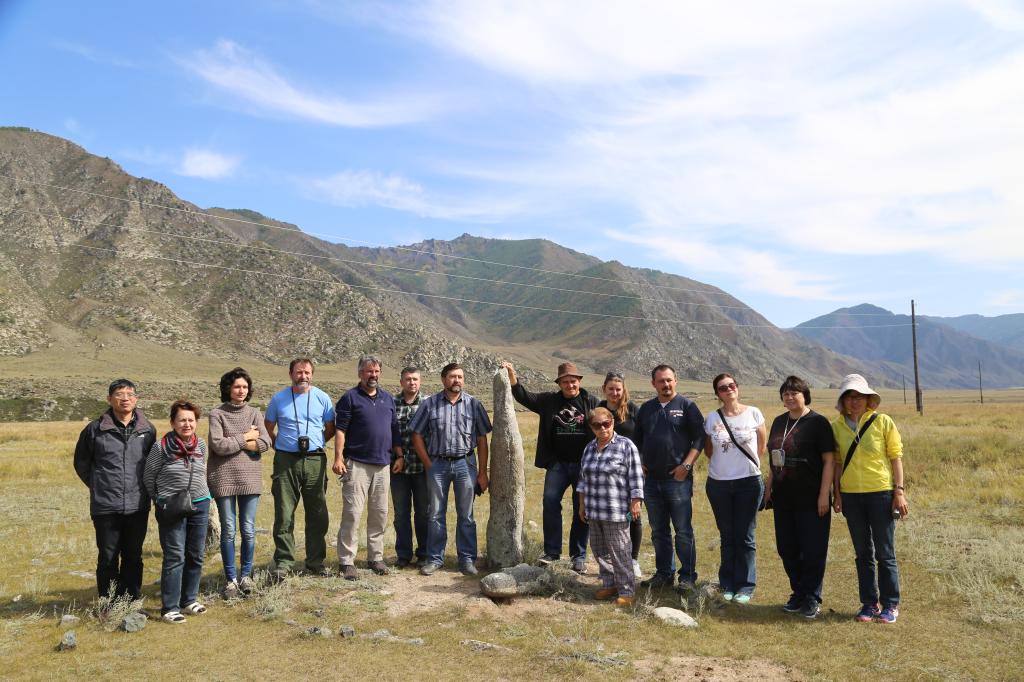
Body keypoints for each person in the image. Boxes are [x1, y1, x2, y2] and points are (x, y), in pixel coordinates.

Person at [501, 360, 598, 574]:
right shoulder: (549, 401)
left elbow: (608, 421)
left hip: (584, 466)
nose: (570, 385)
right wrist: (512, 375)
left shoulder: (591, 401)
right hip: (558, 465)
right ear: (559, 384)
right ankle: (552, 553)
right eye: (565, 382)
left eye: (573, 381)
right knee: (550, 502)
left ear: (579, 381)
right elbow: (523, 396)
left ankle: (578, 556)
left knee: (582, 509)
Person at [832, 374, 908, 624]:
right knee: (862, 553)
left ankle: (891, 604)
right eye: (849, 397)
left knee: (885, 552)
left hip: (881, 494)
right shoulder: (837, 427)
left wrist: (899, 491)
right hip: (851, 496)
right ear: (843, 401)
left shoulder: (883, 422)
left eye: (859, 396)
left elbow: (895, 457)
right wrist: (837, 493)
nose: (854, 401)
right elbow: (838, 463)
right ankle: (869, 603)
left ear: (868, 399)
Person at [73, 379, 157, 602]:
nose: (125, 398)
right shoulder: (94, 429)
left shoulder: (148, 430)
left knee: (133, 556)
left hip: (138, 504)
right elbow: (81, 463)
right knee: (108, 557)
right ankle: (109, 603)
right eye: (119, 394)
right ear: (109, 399)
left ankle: (130, 601)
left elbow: (153, 464)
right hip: (106, 506)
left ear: (136, 399)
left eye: (129, 394)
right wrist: (99, 484)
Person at [410, 363, 492, 576]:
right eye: (452, 376)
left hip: (466, 464)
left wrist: (483, 472)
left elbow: (482, 439)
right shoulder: (429, 404)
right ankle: (435, 559)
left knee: (466, 514)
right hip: (438, 464)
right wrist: (428, 463)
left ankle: (467, 560)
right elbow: (416, 434)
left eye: (460, 377)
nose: (457, 380)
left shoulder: (474, 404)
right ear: (443, 379)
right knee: (436, 513)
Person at [765, 375, 835, 619]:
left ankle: (812, 597)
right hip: (783, 497)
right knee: (787, 547)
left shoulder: (818, 423)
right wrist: (768, 487)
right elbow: (774, 458)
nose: (789, 396)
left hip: (812, 497)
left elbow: (829, 461)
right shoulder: (778, 421)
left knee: (813, 549)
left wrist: (824, 494)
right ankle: (798, 592)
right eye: (785, 393)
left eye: (794, 392)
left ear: (805, 395)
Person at [633, 364, 705, 592]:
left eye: (669, 380)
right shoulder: (646, 409)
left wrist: (687, 465)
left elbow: (699, 439)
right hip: (651, 481)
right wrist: (640, 463)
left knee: (683, 531)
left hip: (678, 480)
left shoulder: (687, 406)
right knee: (658, 531)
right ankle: (664, 573)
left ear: (676, 381)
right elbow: (637, 440)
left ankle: (687, 576)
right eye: (661, 381)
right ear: (653, 384)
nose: (665, 384)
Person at [264, 358, 336, 578]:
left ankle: (315, 562)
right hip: (286, 460)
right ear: (290, 374)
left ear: (312, 374)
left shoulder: (322, 398)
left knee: (317, 512)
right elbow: (268, 427)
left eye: (307, 372)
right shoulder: (279, 399)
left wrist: (317, 442)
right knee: (284, 512)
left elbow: (330, 427)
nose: (303, 376)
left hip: (315, 460)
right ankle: (284, 562)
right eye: (298, 372)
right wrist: (280, 445)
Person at [332, 355, 401, 580]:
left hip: (383, 465)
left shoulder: (388, 398)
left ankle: (376, 557)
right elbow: (340, 430)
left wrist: (399, 455)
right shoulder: (349, 398)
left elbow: (394, 430)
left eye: (377, 371)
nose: (373, 375)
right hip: (357, 464)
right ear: (360, 373)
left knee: (379, 513)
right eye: (369, 371)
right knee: (353, 513)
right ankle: (346, 561)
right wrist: (338, 458)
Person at [143, 400, 212, 623]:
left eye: (191, 420)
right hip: (171, 507)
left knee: (196, 554)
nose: (187, 424)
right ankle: (170, 608)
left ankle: (189, 599)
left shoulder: (201, 444)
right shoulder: (160, 447)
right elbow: (149, 477)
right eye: (182, 420)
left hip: (200, 504)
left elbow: (202, 471)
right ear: (173, 422)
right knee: (175, 556)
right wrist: (159, 500)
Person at [207, 367, 271, 599]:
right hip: (223, 478)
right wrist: (247, 436)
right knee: (228, 530)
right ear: (228, 388)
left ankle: (246, 576)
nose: (241, 390)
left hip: (249, 479)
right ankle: (231, 580)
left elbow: (265, 443)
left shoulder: (255, 413)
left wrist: (240, 441)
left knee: (248, 529)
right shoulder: (217, 414)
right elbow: (218, 446)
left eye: (245, 387)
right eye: (237, 386)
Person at [703, 373, 766, 604]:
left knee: (746, 535)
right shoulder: (712, 418)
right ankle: (727, 584)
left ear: (737, 387)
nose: (728, 389)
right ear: (717, 394)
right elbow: (708, 451)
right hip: (718, 483)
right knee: (727, 535)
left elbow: (761, 447)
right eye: (723, 388)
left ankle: (746, 586)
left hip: (748, 482)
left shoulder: (754, 413)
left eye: (731, 385)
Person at [578, 407, 644, 607]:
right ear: (592, 427)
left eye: (606, 424)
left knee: (620, 551)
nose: (602, 428)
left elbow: (636, 476)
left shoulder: (626, 445)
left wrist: (636, 501)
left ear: (612, 423)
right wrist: (582, 505)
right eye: (597, 425)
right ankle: (610, 584)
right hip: (594, 509)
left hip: (616, 510)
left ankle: (627, 591)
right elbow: (583, 479)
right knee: (600, 551)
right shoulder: (589, 448)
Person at [598, 371, 644, 579]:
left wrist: (642, 461)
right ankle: (611, 562)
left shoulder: (632, 409)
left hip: (630, 471)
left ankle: (632, 560)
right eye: (611, 389)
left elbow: (644, 435)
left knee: (633, 514)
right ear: (604, 389)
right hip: (606, 474)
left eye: (618, 389)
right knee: (608, 515)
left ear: (623, 389)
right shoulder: (599, 408)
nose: (614, 393)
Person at [391, 366, 428, 568]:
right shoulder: (391, 403)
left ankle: (424, 553)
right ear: (401, 382)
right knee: (401, 514)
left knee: (423, 512)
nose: (411, 382)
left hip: (422, 467)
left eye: (415, 379)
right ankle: (403, 554)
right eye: (408, 379)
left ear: (420, 381)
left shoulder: (428, 403)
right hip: (398, 468)